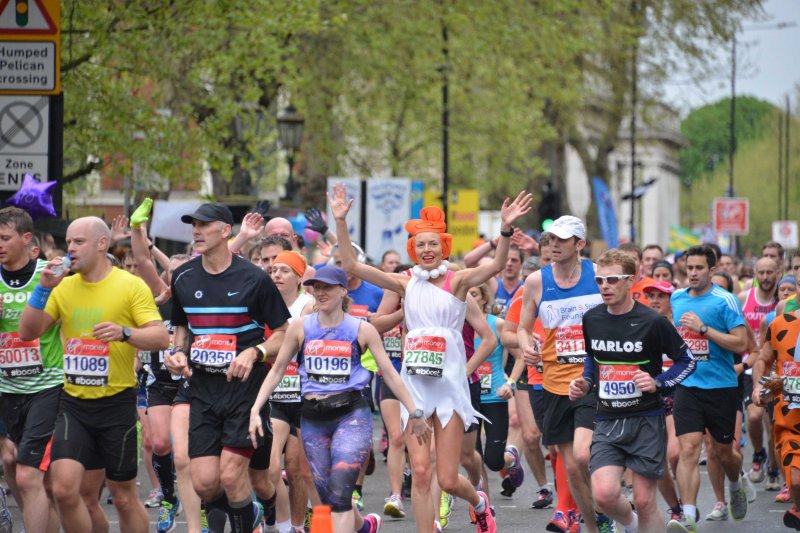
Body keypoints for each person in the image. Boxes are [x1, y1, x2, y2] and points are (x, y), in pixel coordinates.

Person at [330, 183, 532, 533]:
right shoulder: (405, 283)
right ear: (413, 249)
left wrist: (504, 229)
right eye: (420, 244)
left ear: (444, 247)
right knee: (422, 473)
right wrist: (341, 221)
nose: (426, 250)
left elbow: (498, 264)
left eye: (433, 244)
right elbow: (351, 265)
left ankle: (478, 502)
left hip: (449, 388)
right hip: (415, 388)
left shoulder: (459, 281)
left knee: (448, 479)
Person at [249, 265, 431, 533]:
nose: (321, 292)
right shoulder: (300, 327)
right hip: (313, 417)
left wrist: (414, 412)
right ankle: (365, 526)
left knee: (342, 490)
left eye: (327, 287)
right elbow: (277, 370)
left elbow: (390, 374)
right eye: (317, 287)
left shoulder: (362, 330)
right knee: (329, 496)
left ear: (343, 291)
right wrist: (256, 408)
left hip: (351, 415)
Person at [18, 216, 169, 533]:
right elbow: (28, 332)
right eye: (68, 242)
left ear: (102, 244)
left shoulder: (130, 285)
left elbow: (160, 338)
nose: (70, 248)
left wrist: (124, 333)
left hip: (117, 404)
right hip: (73, 404)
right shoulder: (63, 287)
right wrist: (42, 289)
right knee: (63, 490)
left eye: (78, 241)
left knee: (123, 497)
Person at [167, 203, 290, 533]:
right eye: (193, 225)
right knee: (205, 484)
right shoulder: (183, 276)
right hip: (203, 388)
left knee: (232, 475)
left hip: (244, 388)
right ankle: (249, 512)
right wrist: (177, 354)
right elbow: (182, 327)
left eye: (204, 225)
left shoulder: (255, 278)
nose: (196, 231)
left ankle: (245, 521)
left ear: (225, 231)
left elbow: (284, 334)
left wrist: (255, 351)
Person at [569, 249, 695, 533]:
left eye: (612, 280)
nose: (605, 286)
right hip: (607, 419)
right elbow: (593, 357)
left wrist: (659, 382)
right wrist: (586, 382)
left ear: (631, 280)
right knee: (603, 495)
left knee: (644, 500)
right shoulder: (592, 319)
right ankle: (632, 524)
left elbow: (687, 361)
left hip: (645, 419)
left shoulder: (653, 321)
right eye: (600, 280)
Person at [517, 216, 608, 533]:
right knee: (570, 465)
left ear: (580, 244)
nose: (554, 244)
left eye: (562, 239)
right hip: (554, 383)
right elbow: (523, 328)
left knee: (583, 455)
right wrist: (527, 347)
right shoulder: (536, 282)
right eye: (551, 238)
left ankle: (604, 506)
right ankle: (594, 525)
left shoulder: (599, 275)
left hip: (591, 380)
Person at [668, 245, 749, 532]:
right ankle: (688, 515)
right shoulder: (677, 298)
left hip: (721, 387)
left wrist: (703, 329)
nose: (693, 273)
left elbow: (741, 343)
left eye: (699, 268)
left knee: (723, 452)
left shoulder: (725, 300)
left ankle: (736, 483)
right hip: (687, 386)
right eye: (689, 267)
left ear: (712, 270)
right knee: (689, 449)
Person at [0, 207, 63, 532]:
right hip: (4, 388)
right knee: (13, 467)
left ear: (27, 239)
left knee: (29, 476)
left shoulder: (49, 275)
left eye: (4, 238)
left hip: (46, 387)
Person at [267, 251, 317, 533]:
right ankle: (282, 524)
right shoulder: (264, 303)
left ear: (299, 277)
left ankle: (297, 525)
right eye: (274, 270)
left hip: (302, 395)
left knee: (297, 470)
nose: (277, 275)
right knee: (271, 467)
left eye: (284, 271)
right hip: (275, 394)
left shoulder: (308, 306)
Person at [752, 303, 800, 530]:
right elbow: (764, 360)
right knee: (796, 481)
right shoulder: (781, 324)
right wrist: (759, 387)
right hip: (791, 421)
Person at [738, 257, 779, 487]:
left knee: (773, 424)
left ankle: (773, 469)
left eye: (769, 272)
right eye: (761, 272)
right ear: (755, 273)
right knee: (754, 415)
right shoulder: (744, 298)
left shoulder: (783, 302)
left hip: (777, 369)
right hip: (751, 365)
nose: (765, 277)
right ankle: (758, 453)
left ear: (778, 273)